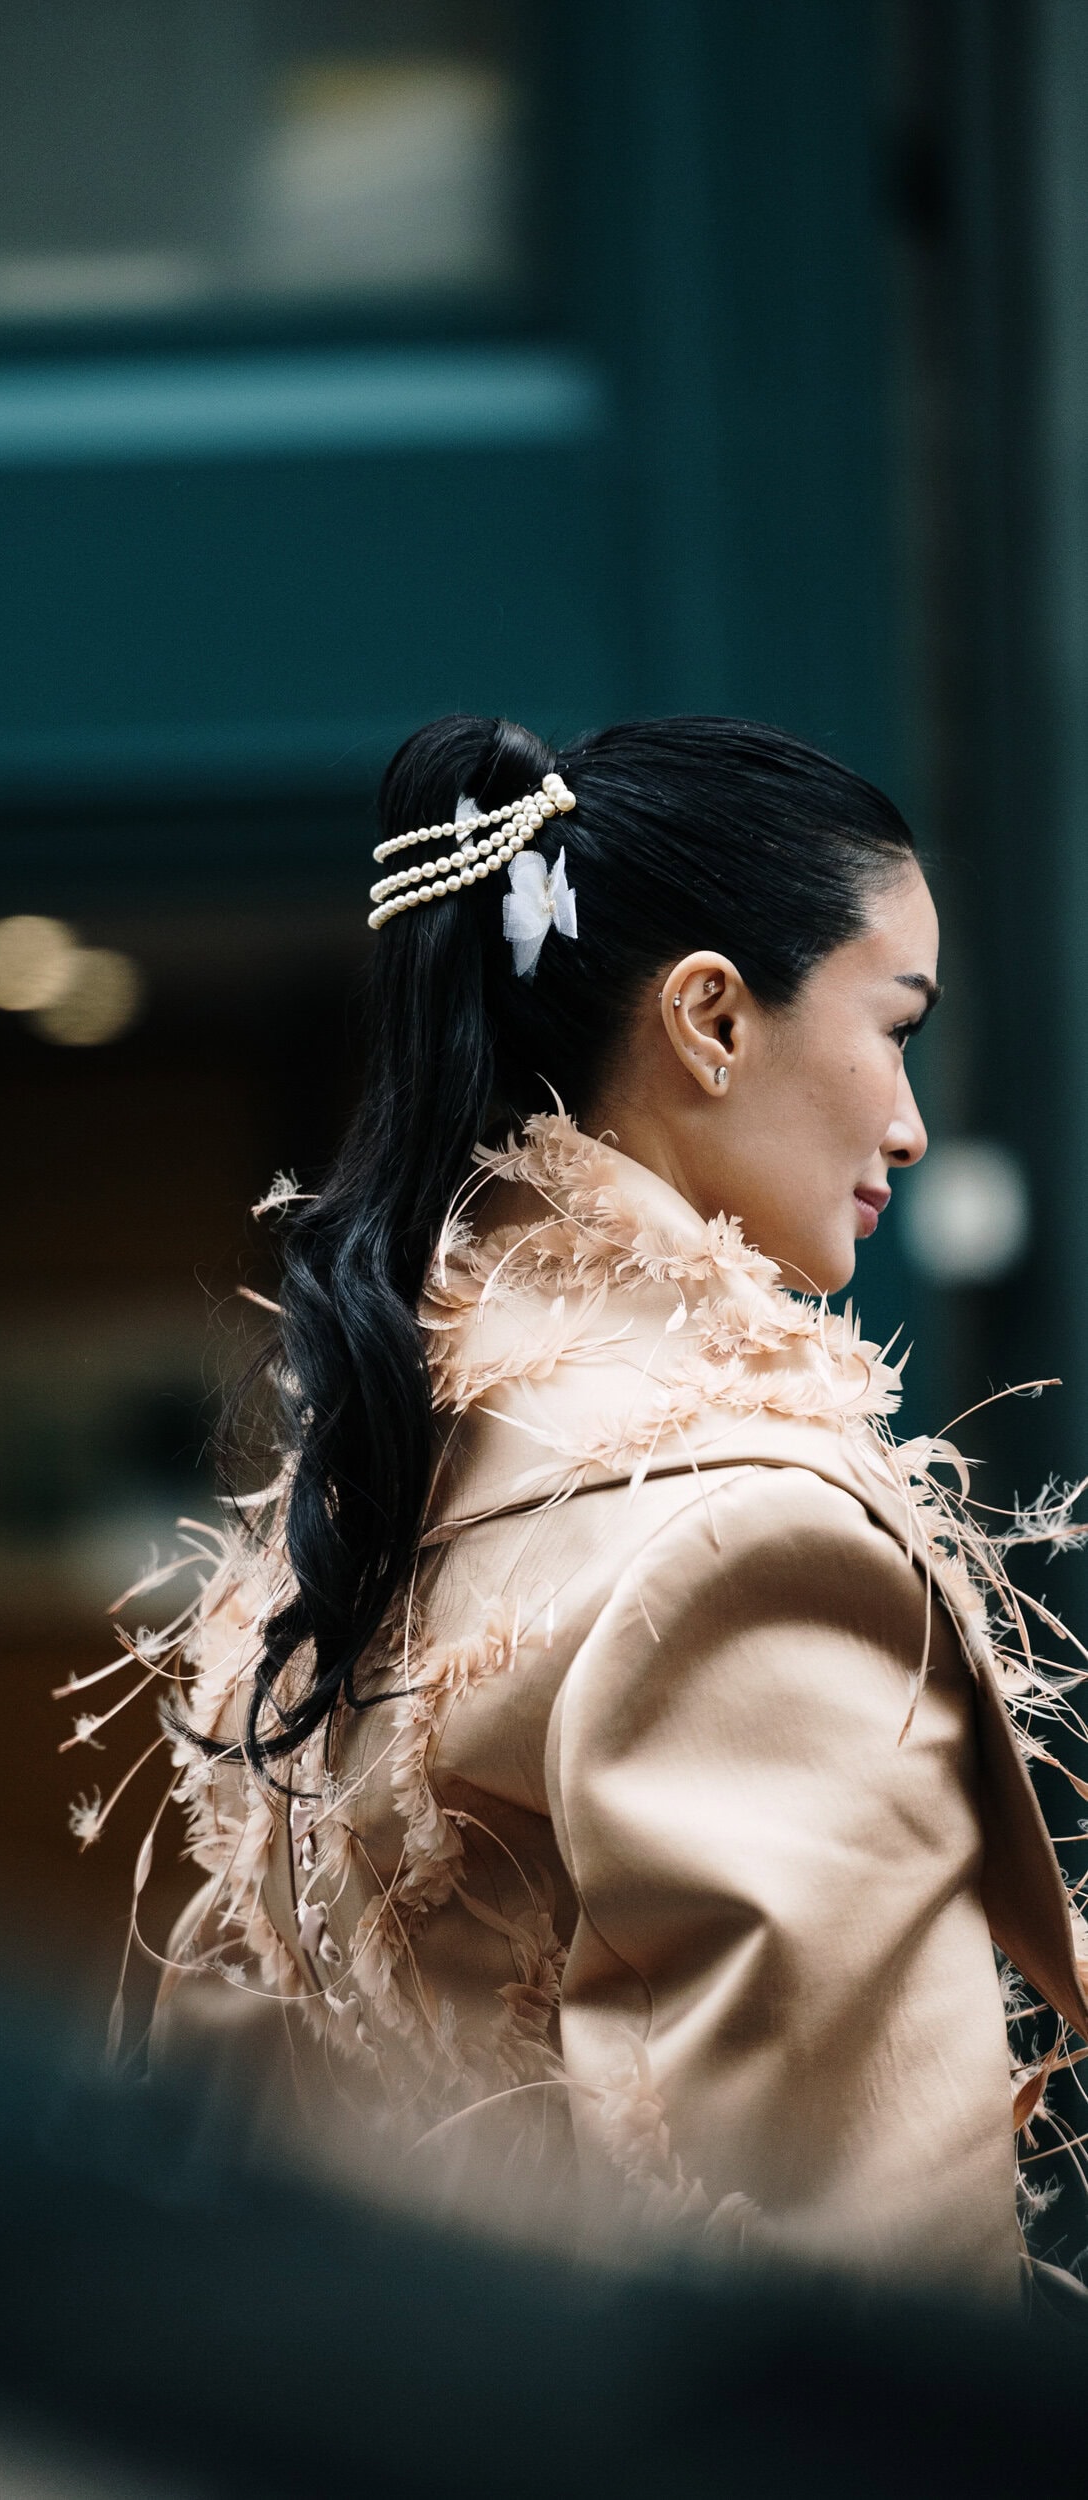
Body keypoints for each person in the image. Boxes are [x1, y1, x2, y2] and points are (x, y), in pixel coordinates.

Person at [73, 713, 1088, 2296]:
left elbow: (236, 2104)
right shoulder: (747, 1539)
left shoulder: (383, 1470)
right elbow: (868, 2290)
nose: (912, 1122)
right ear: (711, 1020)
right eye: (896, 1027)